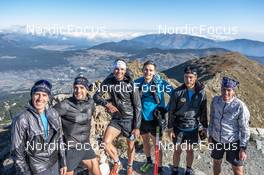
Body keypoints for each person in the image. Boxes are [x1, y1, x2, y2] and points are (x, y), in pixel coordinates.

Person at [93, 59, 142, 175]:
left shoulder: (130, 83)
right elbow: (96, 96)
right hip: (117, 119)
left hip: (130, 120)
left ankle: (129, 166)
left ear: (125, 70)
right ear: (113, 69)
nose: (119, 71)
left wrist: (137, 127)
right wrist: (107, 104)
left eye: (122, 69)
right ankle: (117, 162)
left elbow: (138, 106)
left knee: (130, 145)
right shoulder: (108, 81)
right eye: (117, 69)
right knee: (105, 143)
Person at [11, 80, 67, 175]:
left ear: (48, 98)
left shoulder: (53, 113)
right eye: (37, 94)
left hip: (54, 164)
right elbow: (17, 152)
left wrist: (63, 162)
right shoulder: (22, 119)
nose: (40, 98)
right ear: (32, 95)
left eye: (44, 95)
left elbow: (59, 139)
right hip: (37, 169)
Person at [54, 75, 102, 175]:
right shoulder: (65, 105)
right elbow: (48, 115)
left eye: (81, 88)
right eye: (76, 87)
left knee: (96, 169)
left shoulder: (90, 103)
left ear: (87, 89)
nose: (78, 90)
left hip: (85, 145)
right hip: (71, 149)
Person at [134, 60, 173, 174]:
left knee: (157, 144)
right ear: (142, 70)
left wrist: (166, 108)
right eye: (146, 69)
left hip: (156, 119)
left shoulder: (161, 83)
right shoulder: (137, 83)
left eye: (151, 70)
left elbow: (174, 95)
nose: (148, 72)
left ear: (154, 72)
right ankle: (148, 161)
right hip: (142, 118)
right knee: (145, 140)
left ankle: (159, 166)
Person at [168, 66, 208, 175]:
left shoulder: (202, 93)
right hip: (178, 126)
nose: (188, 80)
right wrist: (170, 128)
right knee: (177, 150)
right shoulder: (177, 92)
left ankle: (188, 169)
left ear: (196, 77)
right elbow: (171, 111)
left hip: (193, 127)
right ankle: (175, 169)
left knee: (190, 150)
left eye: (191, 77)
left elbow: (204, 111)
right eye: (186, 77)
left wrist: (205, 127)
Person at [208, 77, 250, 175]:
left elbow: (245, 128)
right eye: (223, 89)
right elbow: (212, 118)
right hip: (217, 139)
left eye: (229, 90)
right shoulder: (215, 101)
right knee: (216, 163)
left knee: (238, 169)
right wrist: (210, 135)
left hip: (233, 141)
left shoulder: (240, 106)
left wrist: (243, 148)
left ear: (233, 91)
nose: (225, 93)